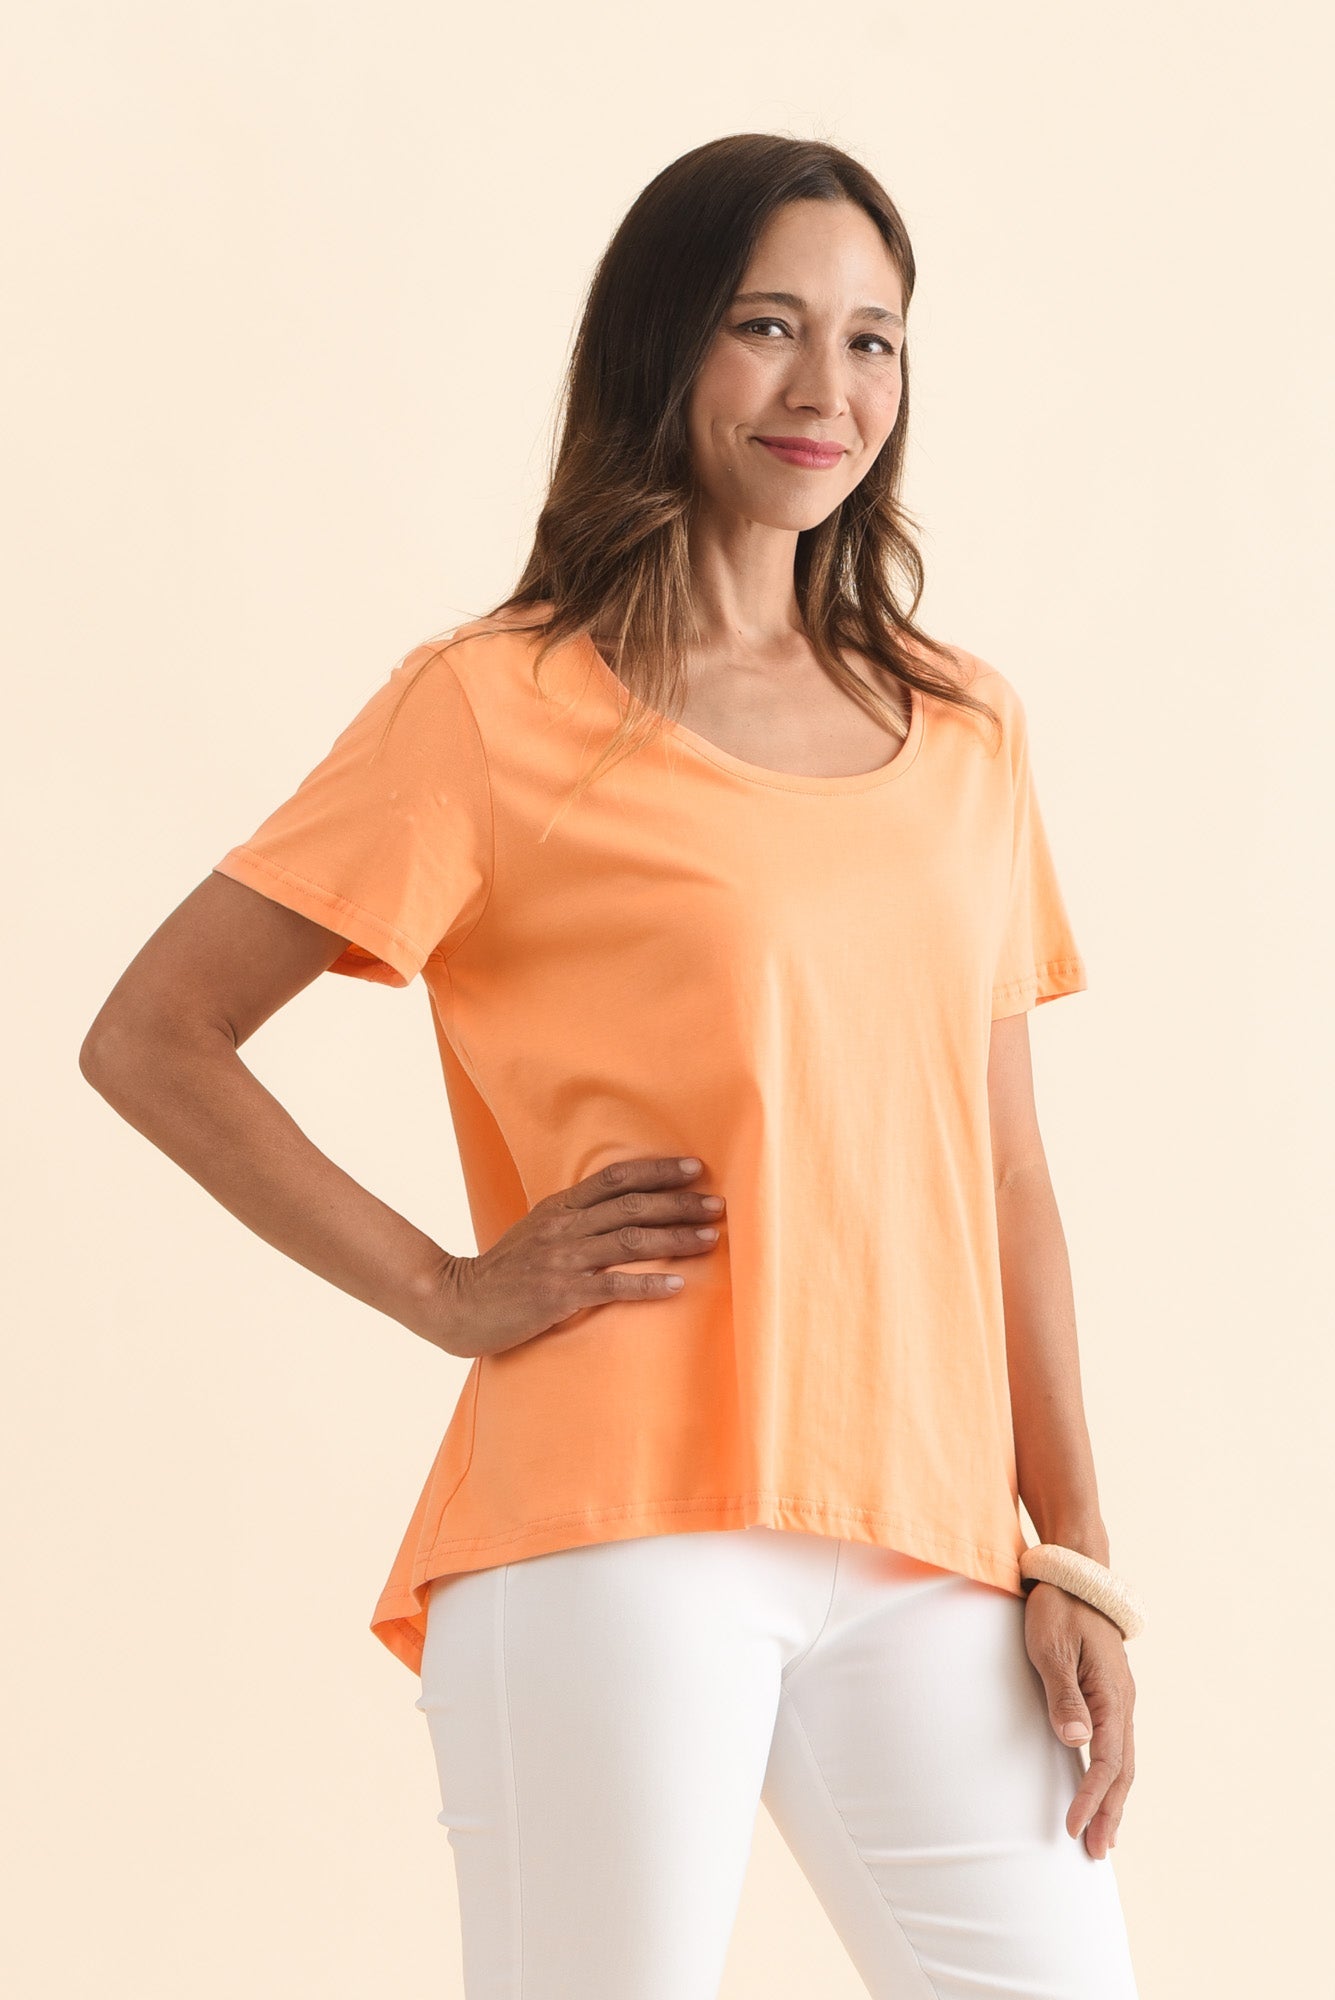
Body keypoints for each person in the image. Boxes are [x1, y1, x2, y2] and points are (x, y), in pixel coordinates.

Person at [79, 134, 1142, 1998]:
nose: (828, 390)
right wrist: (443, 1289)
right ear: (663, 343)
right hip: (615, 1523)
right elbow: (155, 1035)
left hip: (932, 1537)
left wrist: (1078, 1555)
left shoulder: (966, 726)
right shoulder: (493, 706)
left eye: (875, 341)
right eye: (768, 326)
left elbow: (1007, 1178)